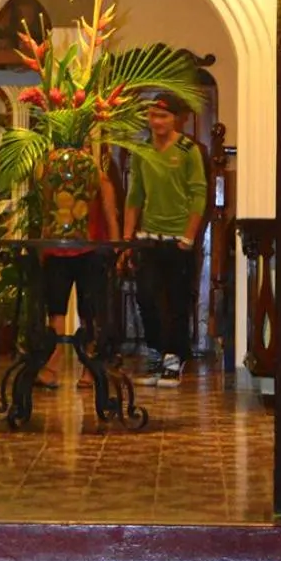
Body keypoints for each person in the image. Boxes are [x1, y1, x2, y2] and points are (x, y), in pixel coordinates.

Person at [122, 93, 207, 388]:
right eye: (153, 116)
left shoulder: (188, 151)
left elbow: (199, 193)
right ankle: (157, 354)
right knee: (147, 298)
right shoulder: (142, 150)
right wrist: (127, 238)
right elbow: (135, 195)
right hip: (148, 239)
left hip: (178, 240)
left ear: (176, 119)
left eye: (163, 116)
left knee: (176, 302)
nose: (157, 122)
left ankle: (174, 360)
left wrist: (189, 236)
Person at [36, 149, 119, 388]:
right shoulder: (52, 175)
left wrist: (116, 248)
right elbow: (47, 213)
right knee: (56, 311)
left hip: (90, 251)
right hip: (57, 250)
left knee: (89, 313)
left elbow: (109, 213)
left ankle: (89, 367)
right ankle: (53, 364)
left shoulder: (98, 177)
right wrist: (43, 245)